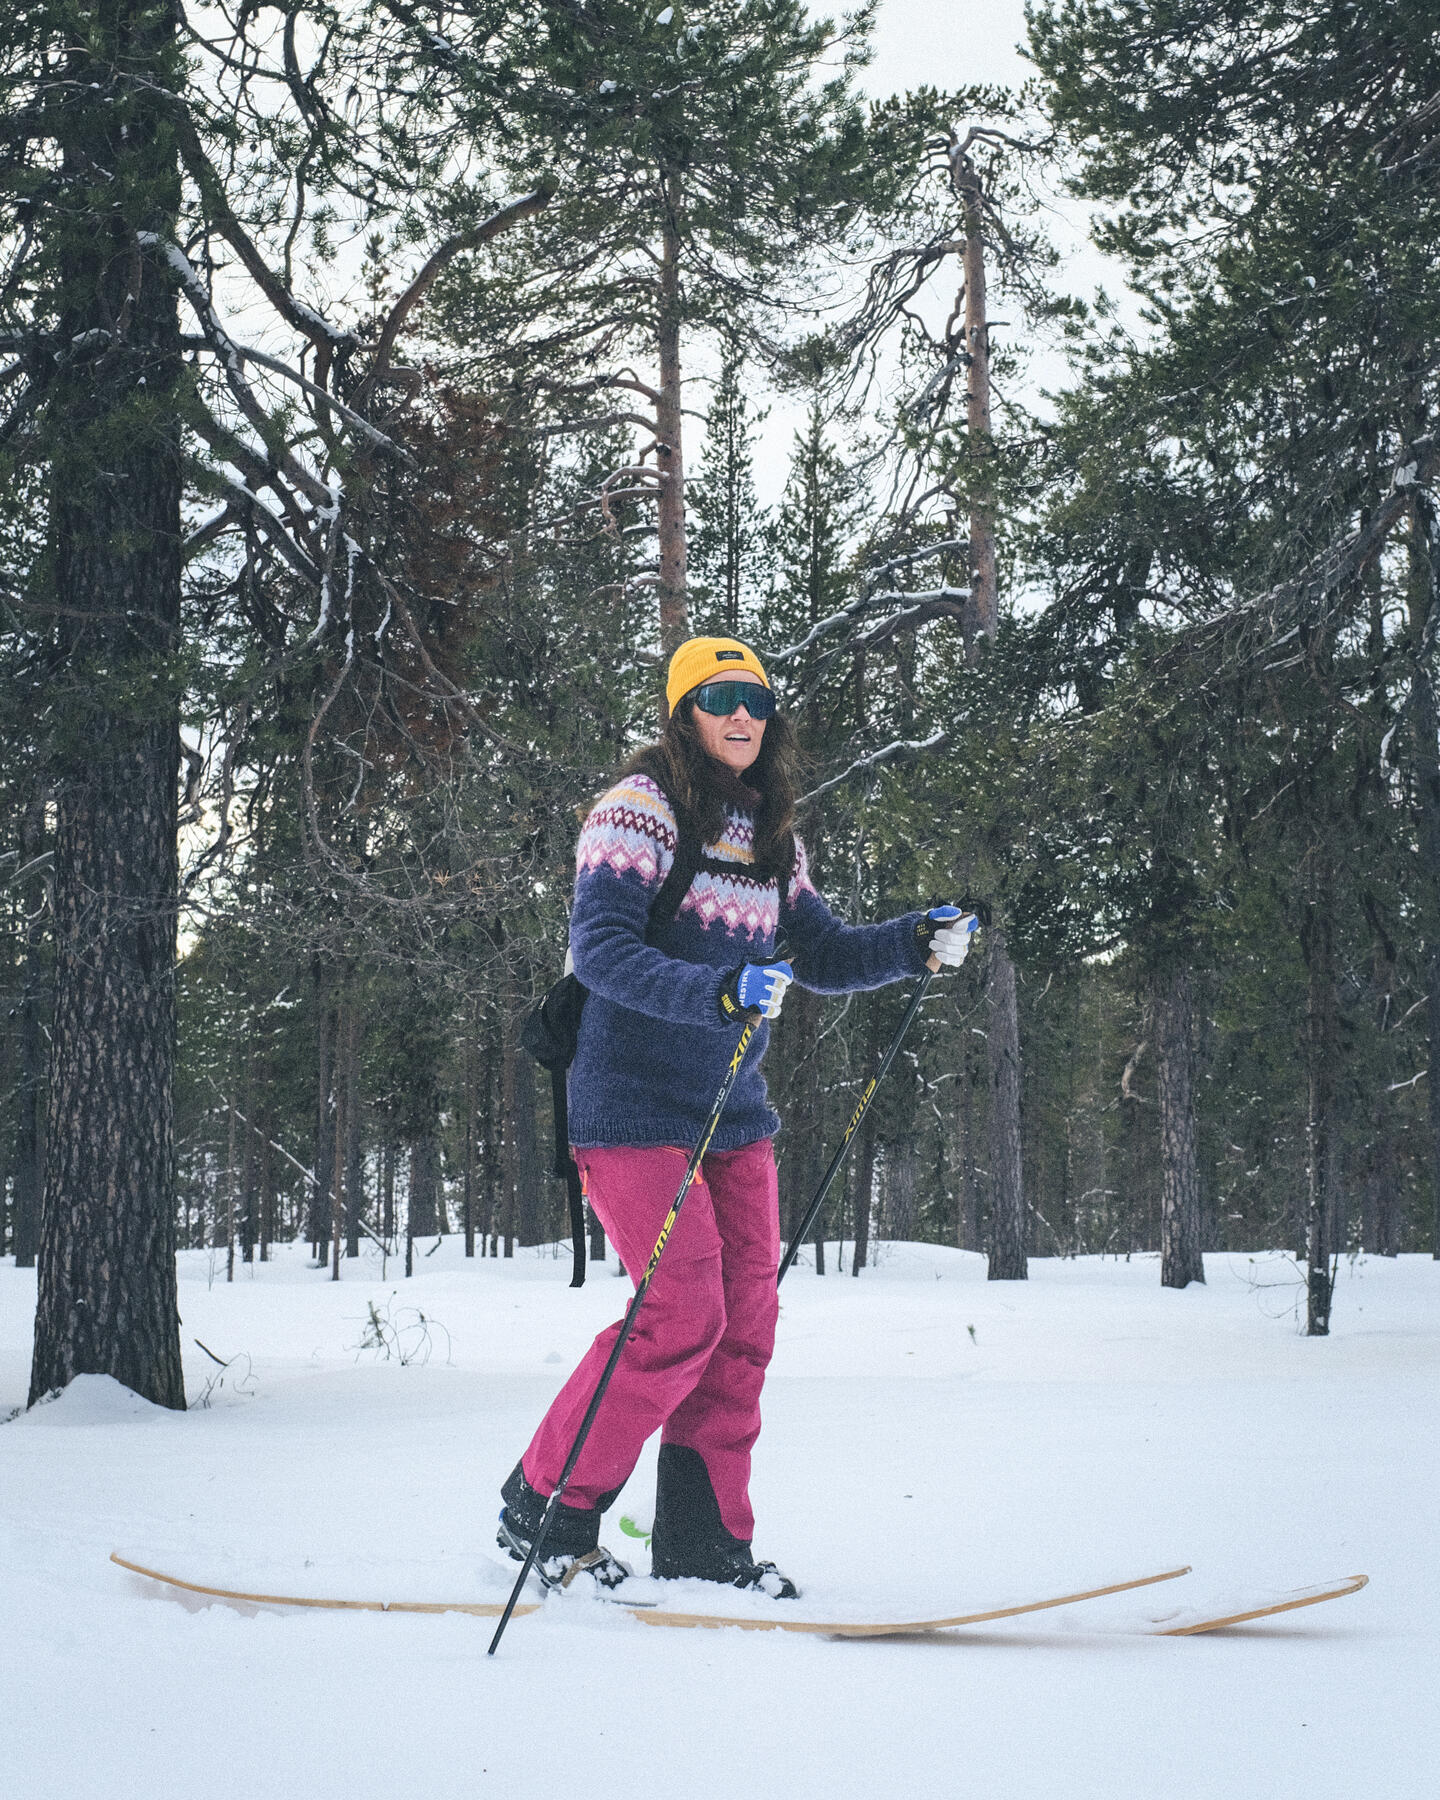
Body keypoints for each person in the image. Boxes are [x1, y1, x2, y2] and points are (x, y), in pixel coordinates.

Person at [497, 635, 976, 1598]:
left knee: (745, 1323)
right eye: (721, 697)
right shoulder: (637, 813)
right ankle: (545, 1510)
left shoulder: (772, 837)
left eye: (757, 697)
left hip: (734, 1115)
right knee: (681, 1311)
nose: (744, 714)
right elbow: (600, 953)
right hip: (631, 1109)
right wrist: (716, 992)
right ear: (685, 712)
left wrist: (915, 942)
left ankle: (704, 1542)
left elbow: (826, 953)